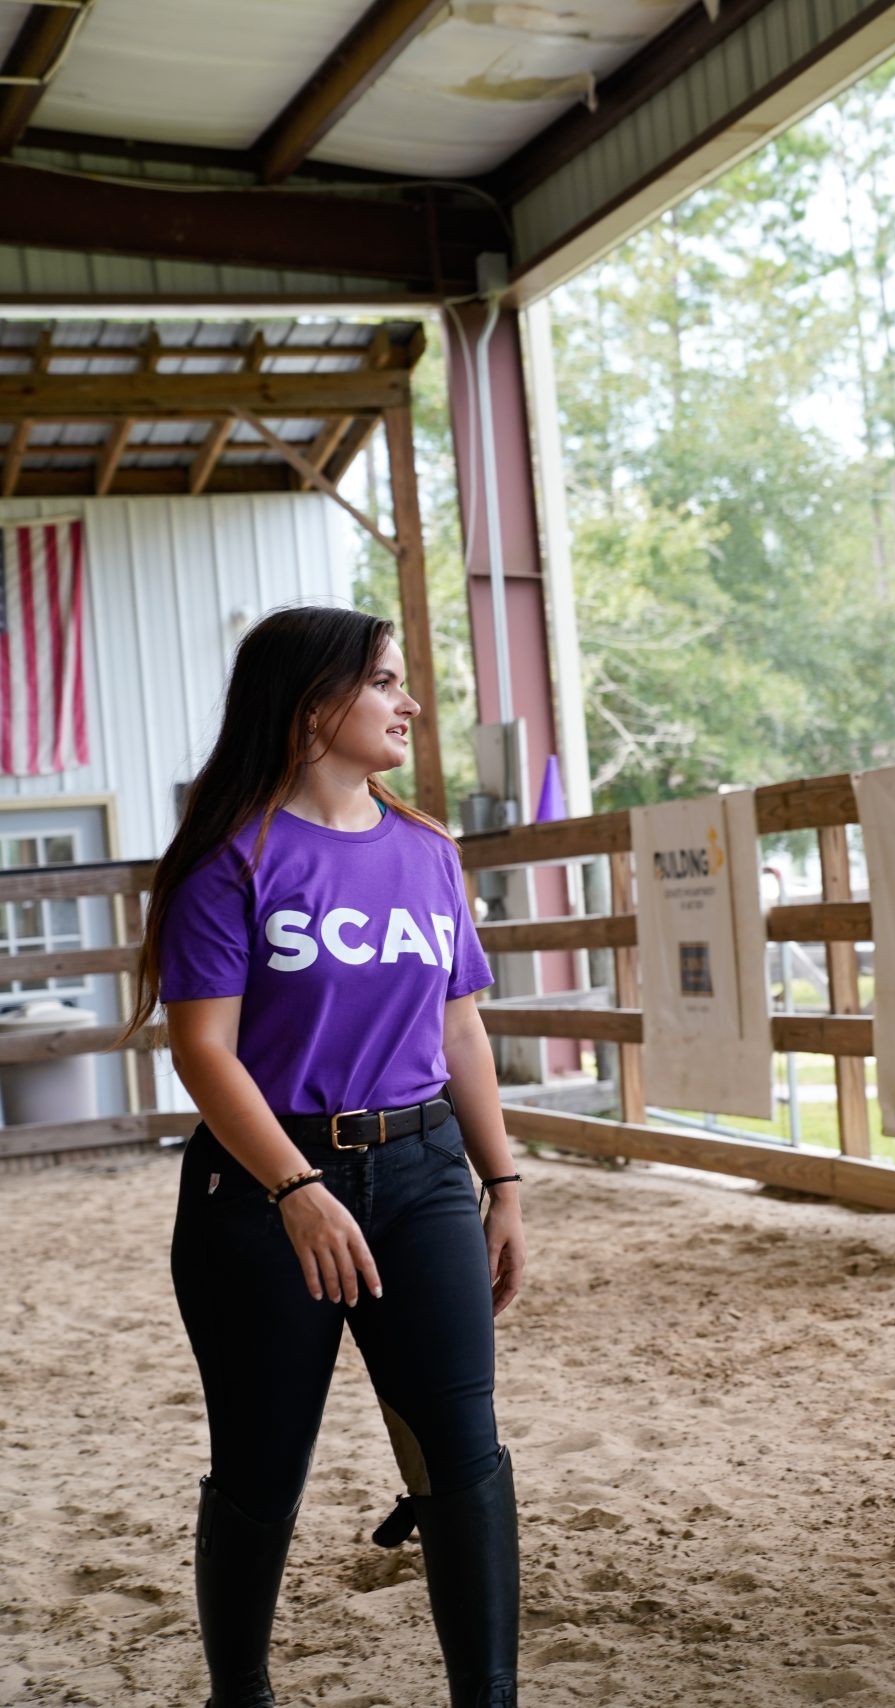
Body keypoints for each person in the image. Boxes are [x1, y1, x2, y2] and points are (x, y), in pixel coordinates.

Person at [125, 606, 525, 1707]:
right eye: (386, 682)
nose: (409, 702)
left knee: (463, 1451)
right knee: (261, 1464)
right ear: (313, 706)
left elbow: (461, 1032)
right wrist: (294, 1187)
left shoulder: (429, 850)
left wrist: (503, 1184)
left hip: (422, 1177)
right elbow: (203, 1050)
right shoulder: (231, 858)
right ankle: (239, 1694)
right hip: (260, 1195)